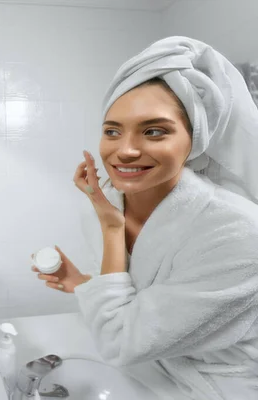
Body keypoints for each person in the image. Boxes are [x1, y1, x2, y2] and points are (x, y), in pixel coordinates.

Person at [33, 37, 258, 399]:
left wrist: (111, 228)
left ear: (194, 139)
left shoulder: (241, 235)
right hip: (149, 373)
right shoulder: (109, 204)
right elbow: (141, 303)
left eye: (154, 131)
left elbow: (121, 341)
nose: (125, 150)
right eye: (112, 130)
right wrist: (83, 283)